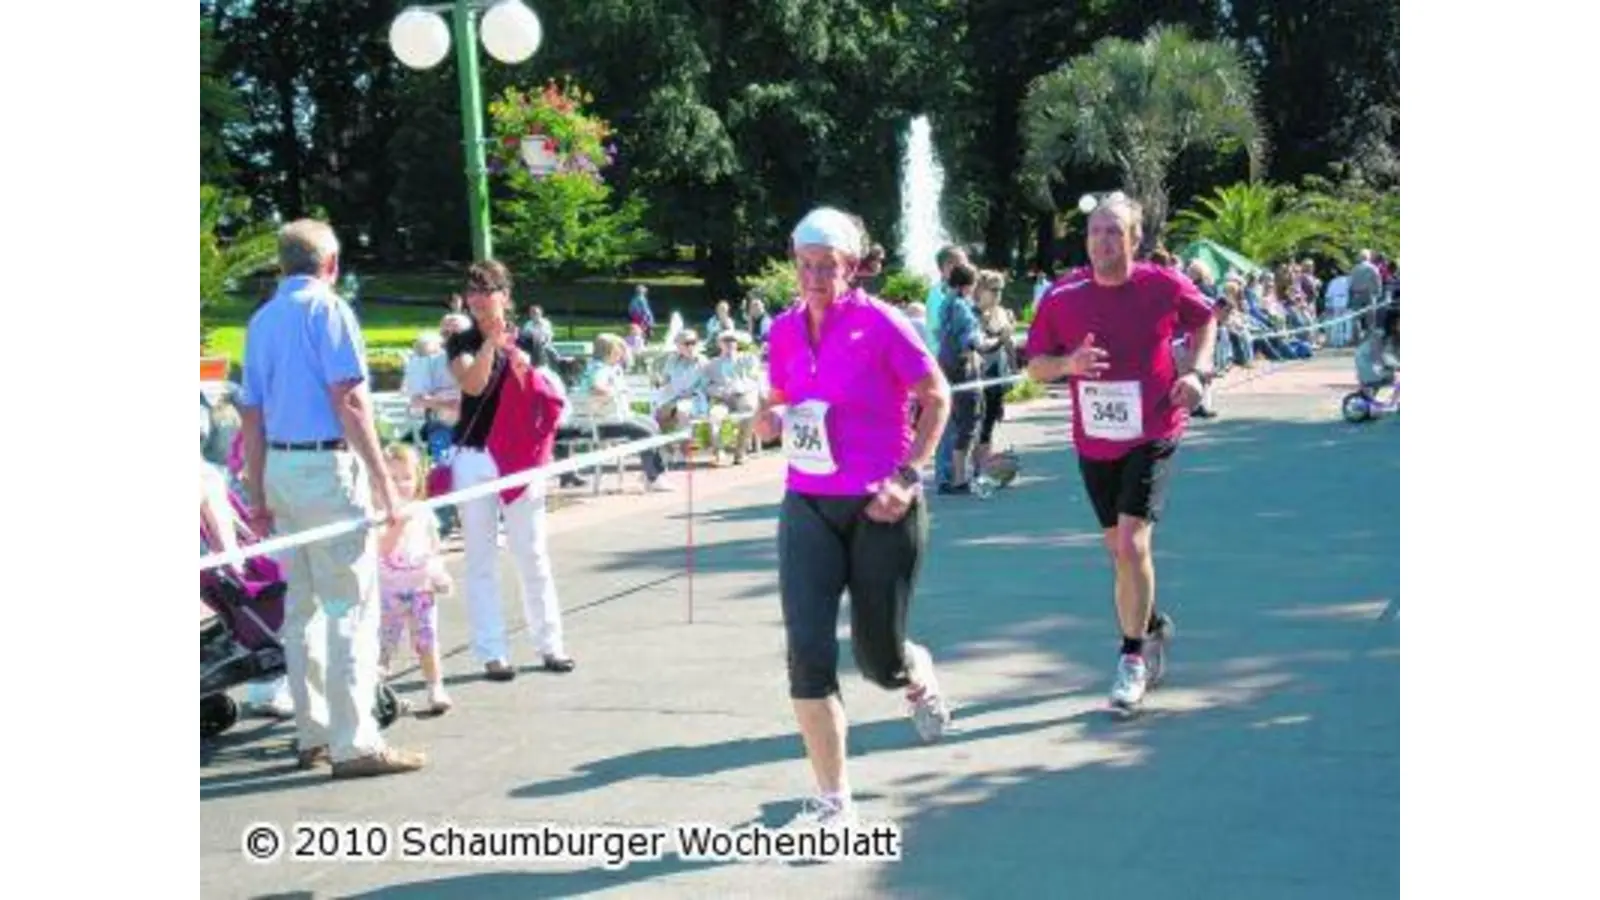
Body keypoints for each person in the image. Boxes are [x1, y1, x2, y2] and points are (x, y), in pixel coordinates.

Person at [751, 207, 955, 828]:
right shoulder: (783, 330)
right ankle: (834, 798)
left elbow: (937, 396)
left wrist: (907, 475)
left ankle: (913, 668)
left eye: (828, 266)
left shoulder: (882, 323)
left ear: (850, 267)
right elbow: (784, 402)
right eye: (806, 265)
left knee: (879, 663)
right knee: (808, 655)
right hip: (808, 502)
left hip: (880, 507)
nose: (815, 277)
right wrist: (767, 420)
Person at [235, 218, 425, 778]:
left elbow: (251, 411)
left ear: (282, 264)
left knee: (303, 608)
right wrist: (386, 482)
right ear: (331, 264)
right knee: (349, 607)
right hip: (325, 466)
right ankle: (355, 743)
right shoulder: (330, 310)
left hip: (282, 468)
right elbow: (351, 400)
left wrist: (257, 485)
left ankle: (313, 733)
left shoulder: (261, 319)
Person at [1024, 193, 1218, 713]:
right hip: (1094, 439)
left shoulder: (1161, 284)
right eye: (1094, 232)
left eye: (1114, 231)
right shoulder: (1062, 296)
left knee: (1132, 545)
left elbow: (1204, 321)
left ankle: (1130, 657)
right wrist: (1069, 365)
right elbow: (1035, 365)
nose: (1102, 241)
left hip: (1153, 427)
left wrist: (1197, 373)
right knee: (1118, 551)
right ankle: (1151, 624)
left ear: (1135, 239)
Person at [445, 259, 576, 682]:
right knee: (480, 556)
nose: (479, 299)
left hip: (519, 458)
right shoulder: (460, 340)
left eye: (487, 290)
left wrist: (516, 355)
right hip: (474, 453)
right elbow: (472, 385)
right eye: (473, 290)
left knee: (532, 552)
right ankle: (492, 652)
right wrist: (489, 345)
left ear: (505, 294)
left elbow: (544, 396)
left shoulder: (531, 338)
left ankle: (550, 644)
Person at [376, 444, 454, 714]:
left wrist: (439, 575)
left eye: (407, 478)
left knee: (427, 641)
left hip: (421, 589)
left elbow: (433, 549)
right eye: (392, 479)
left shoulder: (423, 512)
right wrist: (397, 525)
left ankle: (436, 687)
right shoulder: (377, 516)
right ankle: (373, 692)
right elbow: (381, 549)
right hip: (386, 592)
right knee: (382, 647)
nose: (400, 485)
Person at [573, 334, 675, 492]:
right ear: (608, 351)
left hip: (609, 418)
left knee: (651, 424)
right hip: (604, 422)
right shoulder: (601, 369)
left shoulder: (599, 367)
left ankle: (653, 473)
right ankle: (653, 477)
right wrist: (615, 393)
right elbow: (596, 386)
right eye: (617, 350)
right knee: (645, 432)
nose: (620, 354)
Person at [933, 263, 984, 494]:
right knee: (968, 422)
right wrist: (992, 341)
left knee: (952, 423)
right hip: (963, 370)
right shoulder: (962, 307)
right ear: (967, 285)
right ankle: (959, 477)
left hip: (946, 367)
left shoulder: (945, 303)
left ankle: (951, 476)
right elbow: (970, 341)